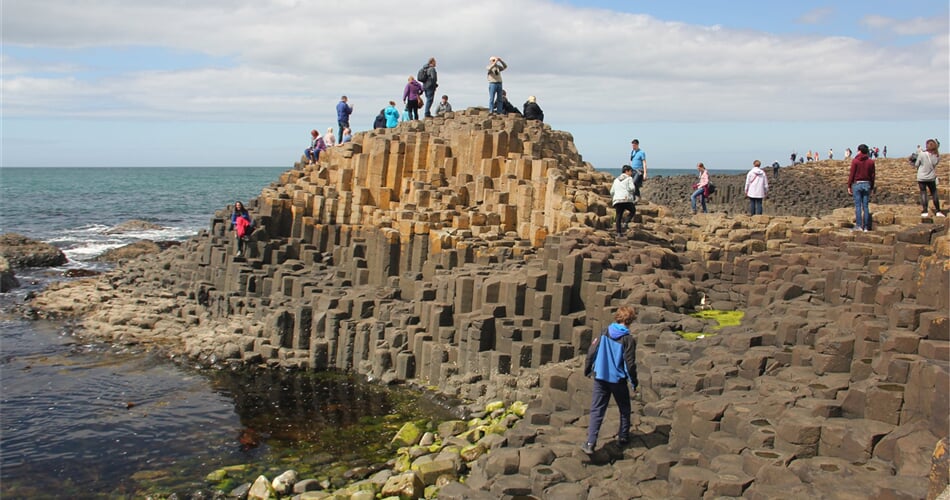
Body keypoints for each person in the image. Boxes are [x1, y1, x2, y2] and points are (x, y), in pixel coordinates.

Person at [581, 306, 638, 455]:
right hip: (618, 380)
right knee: (624, 409)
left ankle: (590, 443)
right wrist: (634, 382)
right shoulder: (628, 339)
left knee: (596, 410)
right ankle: (623, 436)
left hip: (600, 376)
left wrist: (587, 369)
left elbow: (591, 351)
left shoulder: (604, 332)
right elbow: (630, 364)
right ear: (630, 320)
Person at [848, 144, 876, 231]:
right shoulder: (871, 162)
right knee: (865, 206)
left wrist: (849, 185)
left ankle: (859, 225)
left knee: (858, 206)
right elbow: (873, 175)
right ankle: (866, 227)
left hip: (857, 184)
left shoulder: (855, 161)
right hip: (867, 184)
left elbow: (852, 174)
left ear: (859, 150)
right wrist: (872, 187)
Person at [915, 138, 944, 218]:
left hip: (921, 177)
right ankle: (938, 211)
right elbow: (935, 164)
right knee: (934, 193)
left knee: (923, 193)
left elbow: (917, 164)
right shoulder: (937, 156)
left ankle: (925, 211)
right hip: (931, 177)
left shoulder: (922, 154)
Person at [610, 165, 638, 237]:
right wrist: (629, 191)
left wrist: (615, 197)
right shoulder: (629, 178)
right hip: (626, 199)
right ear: (627, 171)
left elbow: (611, 192)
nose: (631, 173)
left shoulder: (616, 180)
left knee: (618, 216)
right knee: (633, 210)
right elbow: (632, 188)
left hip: (617, 200)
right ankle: (626, 222)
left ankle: (619, 233)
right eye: (631, 171)